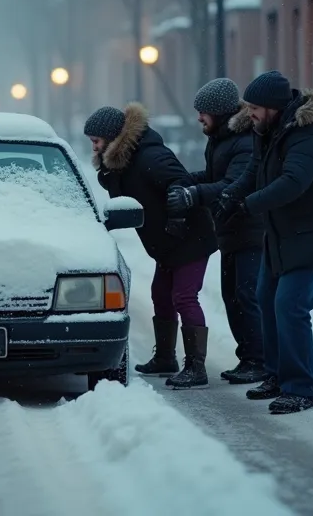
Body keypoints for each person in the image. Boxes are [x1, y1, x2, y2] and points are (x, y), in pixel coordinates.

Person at [214, 71, 313, 414]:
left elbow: (293, 182)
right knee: (266, 299)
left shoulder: (307, 136)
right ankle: (278, 376)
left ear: (273, 108)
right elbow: (254, 169)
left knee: (290, 306)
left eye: (254, 106)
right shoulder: (267, 133)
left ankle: (299, 388)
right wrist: (231, 194)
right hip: (284, 234)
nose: (248, 112)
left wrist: (249, 204)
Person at [84, 103, 217, 390]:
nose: (93, 147)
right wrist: (106, 166)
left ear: (111, 137)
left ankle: (196, 367)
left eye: (96, 141)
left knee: (184, 297)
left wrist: (178, 218)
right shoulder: (124, 161)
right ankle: (166, 358)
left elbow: (180, 184)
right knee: (160, 294)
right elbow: (120, 191)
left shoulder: (150, 156)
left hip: (189, 237)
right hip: (166, 243)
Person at [166, 78, 267, 385]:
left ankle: (259, 360)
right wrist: (184, 180)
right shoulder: (221, 138)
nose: (199, 118)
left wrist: (193, 194)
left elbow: (232, 185)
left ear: (220, 113)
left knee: (246, 295)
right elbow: (214, 176)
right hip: (229, 231)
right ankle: (248, 358)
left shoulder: (244, 141)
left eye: (204, 112)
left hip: (250, 230)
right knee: (231, 296)